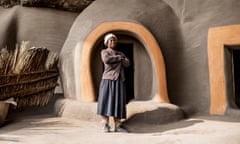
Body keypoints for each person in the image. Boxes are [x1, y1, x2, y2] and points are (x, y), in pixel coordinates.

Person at [97, 33, 130, 133]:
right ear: (106, 42)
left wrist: (122, 59)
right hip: (108, 79)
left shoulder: (120, 52)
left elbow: (127, 63)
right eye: (110, 40)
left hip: (119, 80)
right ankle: (105, 124)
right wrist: (119, 58)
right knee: (106, 100)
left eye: (114, 40)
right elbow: (106, 60)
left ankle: (118, 124)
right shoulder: (104, 52)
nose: (112, 42)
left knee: (118, 101)